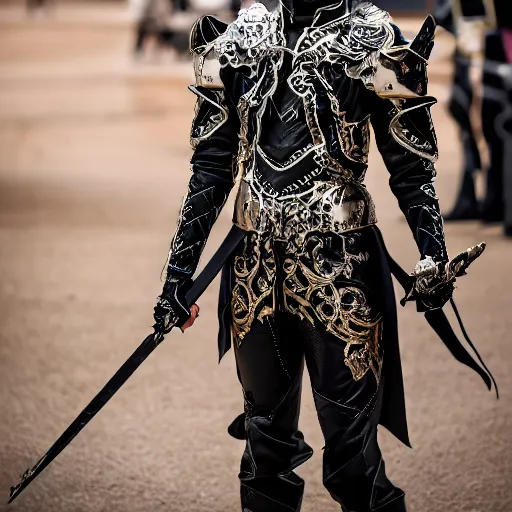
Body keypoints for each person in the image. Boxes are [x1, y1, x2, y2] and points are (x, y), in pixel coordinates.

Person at [153, 2, 493, 510]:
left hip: (342, 270)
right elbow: (210, 166)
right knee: (264, 451)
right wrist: (177, 275)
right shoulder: (239, 39)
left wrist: (432, 256)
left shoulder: (375, 40)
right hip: (254, 269)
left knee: (353, 462)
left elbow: (410, 170)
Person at [435, 0, 486, 221]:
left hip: (479, 65)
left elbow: (442, 15)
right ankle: (477, 198)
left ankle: (482, 200)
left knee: (480, 135)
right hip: (473, 62)